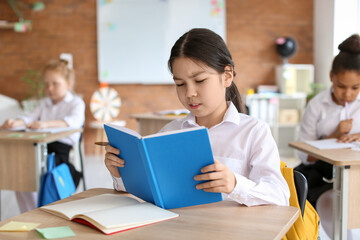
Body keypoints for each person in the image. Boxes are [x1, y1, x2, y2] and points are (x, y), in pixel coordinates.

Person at [104, 28, 290, 206]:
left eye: (200, 81)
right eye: (180, 84)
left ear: (227, 76)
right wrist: (120, 175)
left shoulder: (253, 132)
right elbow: (151, 193)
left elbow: (280, 196)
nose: (190, 93)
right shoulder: (170, 132)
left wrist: (235, 184)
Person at [295, 33, 360, 239]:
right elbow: (305, 155)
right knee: (332, 203)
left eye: (355, 88)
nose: (347, 94)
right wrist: (335, 134)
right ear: (331, 77)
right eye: (341, 86)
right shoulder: (317, 105)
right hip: (323, 173)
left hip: (356, 171)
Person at [1, 59, 85, 213]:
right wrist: (15, 122)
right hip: (38, 146)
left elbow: (74, 122)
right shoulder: (44, 103)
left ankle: (44, 211)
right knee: (19, 171)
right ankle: (30, 213)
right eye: (46, 84)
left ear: (68, 83)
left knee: (34, 171)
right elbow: (29, 117)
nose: (50, 88)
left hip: (59, 152)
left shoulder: (76, 103)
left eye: (55, 83)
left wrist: (46, 124)